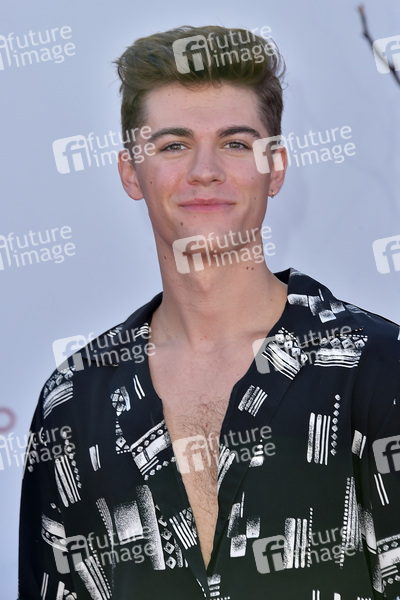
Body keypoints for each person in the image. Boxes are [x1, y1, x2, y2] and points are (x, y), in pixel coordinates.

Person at [18, 25, 400, 600]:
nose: (205, 170)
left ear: (276, 167)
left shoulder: (378, 369)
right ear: (130, 171)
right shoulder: (74, 401)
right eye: (174, 144)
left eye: (235, 143)